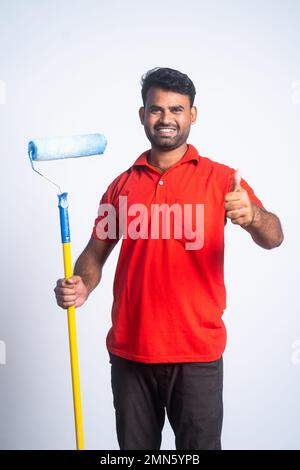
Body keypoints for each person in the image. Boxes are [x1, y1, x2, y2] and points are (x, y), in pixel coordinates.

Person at [54, 67, 284, 450]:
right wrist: (82, 285)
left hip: (196, 355)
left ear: (192, 114)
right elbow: (95, 253)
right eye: (156, 109)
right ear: (142, 114)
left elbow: (274, 237)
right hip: (130, 354)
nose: (166, 119)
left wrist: (254, 216)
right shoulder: (122, 185)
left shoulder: (221, 179)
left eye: (176, 110)